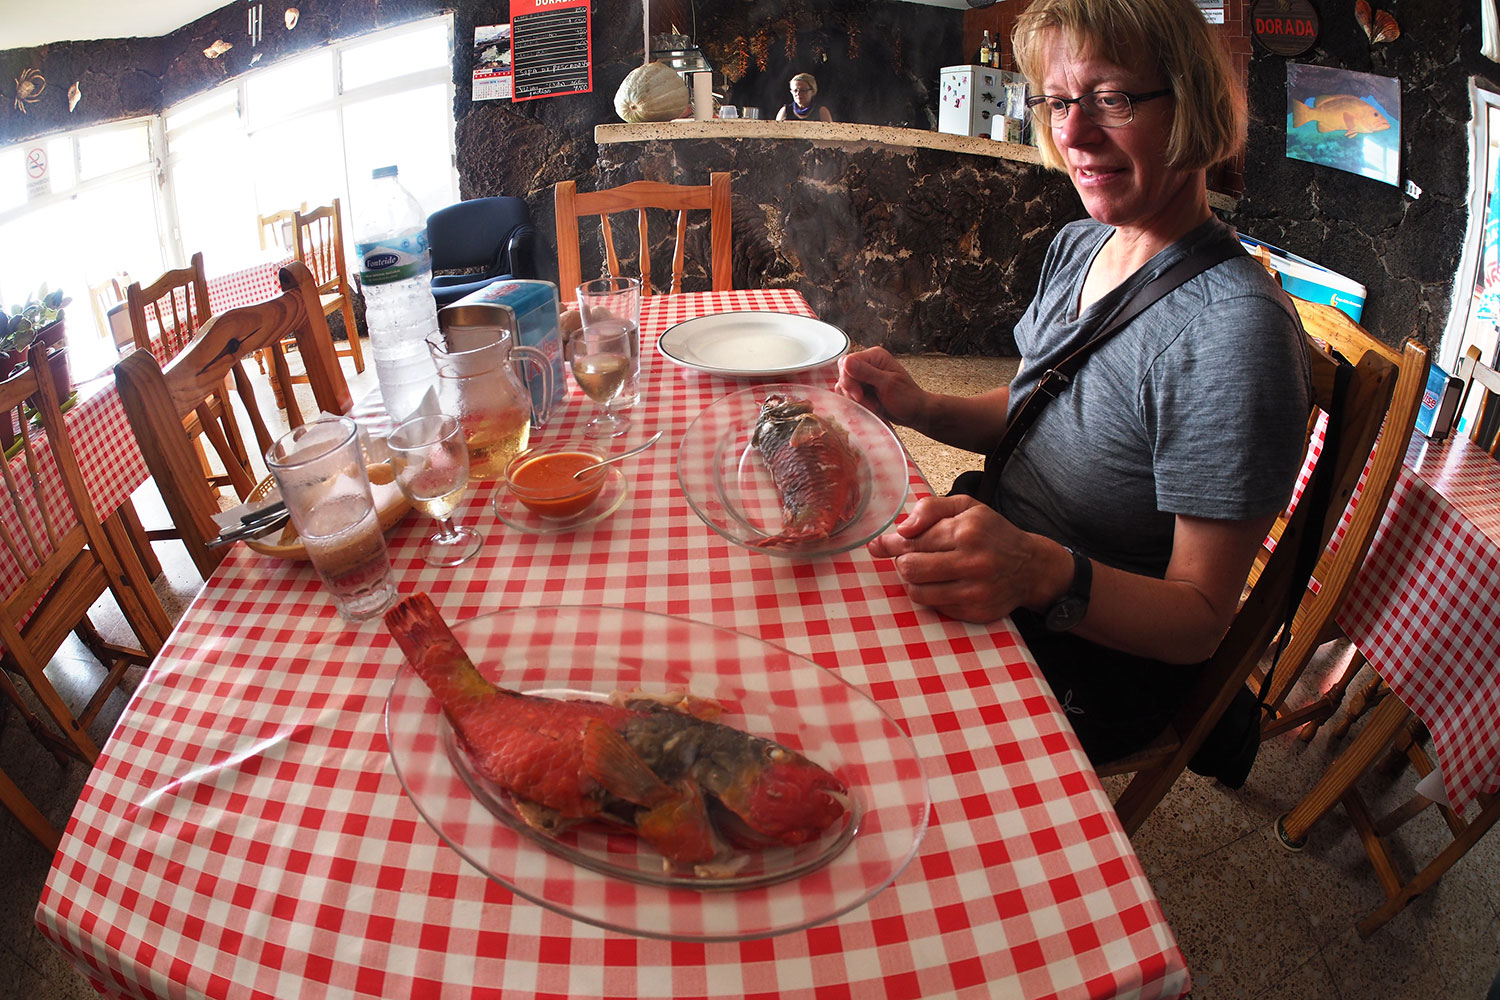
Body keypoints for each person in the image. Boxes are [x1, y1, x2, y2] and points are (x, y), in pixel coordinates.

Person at [835, 0, 1312, 775]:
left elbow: (1199, 621)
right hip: (1002, 562)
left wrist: (1036, 569)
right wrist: (923, 406)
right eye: (1059, 102)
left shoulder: (1233, 335)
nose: (1076, 134)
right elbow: (1041, 411)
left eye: (1112, 98)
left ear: (1191, 103)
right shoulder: (1081, 244)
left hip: (1089, 658)